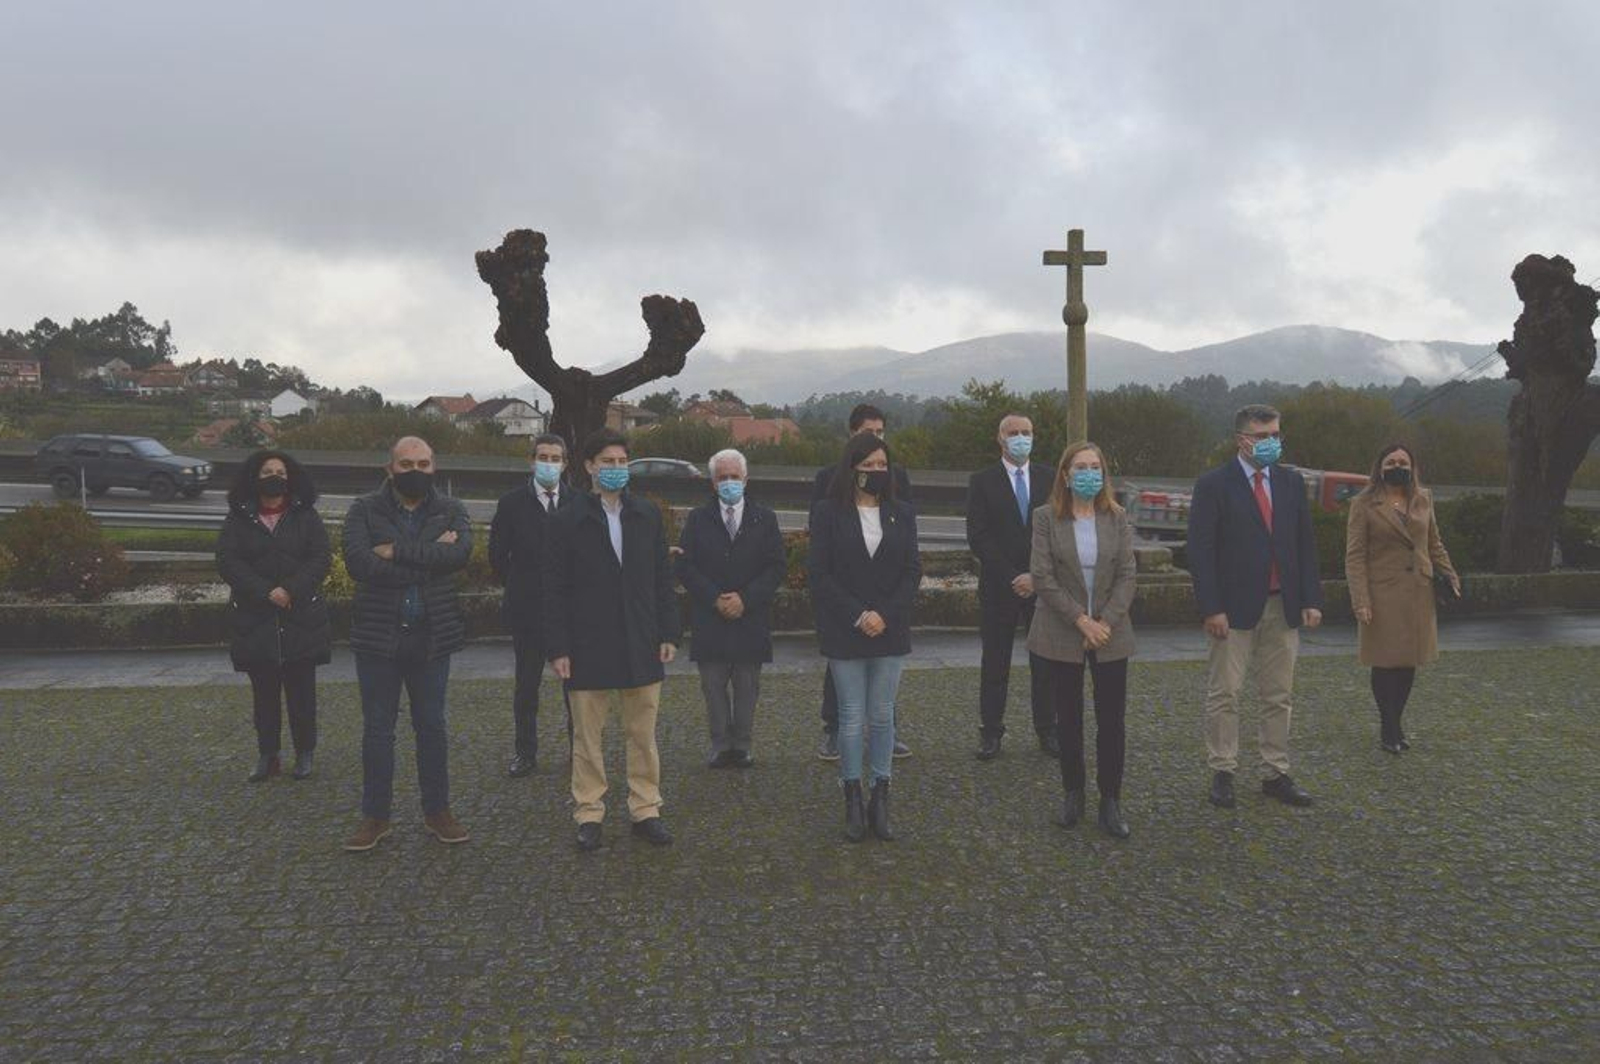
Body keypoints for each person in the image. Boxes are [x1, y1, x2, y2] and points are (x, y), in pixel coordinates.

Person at [544, 428, 682, 851]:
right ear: (588, 466)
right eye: (607, 462)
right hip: (588, 644)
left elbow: (661, 577)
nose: (616, 469)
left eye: (622, 462)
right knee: (587, 739)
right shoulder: (567, 519)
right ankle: (589, 813)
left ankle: (646, 809)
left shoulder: (647, 515)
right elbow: (554, 588)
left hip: (641, 639)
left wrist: (668, 631)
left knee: (642, 734)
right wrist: (559, 647)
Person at [340, 437, 473, 851]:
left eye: (423, 462)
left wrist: (395, 551)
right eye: (406, 463)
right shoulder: (364, 509)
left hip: (432, 636)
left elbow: (460, 555)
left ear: (435, 467)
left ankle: (438, 811)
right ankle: (375, 816)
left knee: (432, 727)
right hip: (379, 637)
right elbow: (359, 563)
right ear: (389, 468)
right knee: (378, 731)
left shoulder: (451, 509)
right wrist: (428, 559)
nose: (415, 470)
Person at [1187, 405, 1323, 810]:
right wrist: (1212, 607)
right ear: (1240, 440)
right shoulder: (1214, 485)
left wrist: (1312, 598)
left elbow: (1305, 543)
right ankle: (1223, 769)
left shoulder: (1291, 483)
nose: (1270, 443)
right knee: (1225, 693)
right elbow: (1201, 550)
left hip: (1284, 607)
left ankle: (1275, 772)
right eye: (1261, 437)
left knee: (1278, 694)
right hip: (1232, 610)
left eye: (1275, 435)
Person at [808, 432, 921, 842]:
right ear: (851, 468)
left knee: (883, 715)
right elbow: (819, 575)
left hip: (890, 630)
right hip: (846, 630)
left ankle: (881, 796)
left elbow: (912, 572)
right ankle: (852, 795)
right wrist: (858, 615)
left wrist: (884, 615)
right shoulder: (827, 513)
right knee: (851, 718)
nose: (875, 472)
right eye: (867, 465)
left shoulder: (902, 513)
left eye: (881, 465)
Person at [1027, 442, 1137, 839]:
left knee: (1112, 722)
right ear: (1066, 474)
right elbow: (1042, 576)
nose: (1090, 473)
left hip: (1111, 631)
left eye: (1096, 466)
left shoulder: (1117, 517)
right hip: (1061, 630)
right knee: (1068, 720)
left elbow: (1127, 574)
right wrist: (1081, 621)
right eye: (1081, 467)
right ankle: (1073, 793)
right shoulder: (1045, 518)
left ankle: (1111, 800)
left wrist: (1103, 622)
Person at [216, 450, 331, 783]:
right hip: (256, 621)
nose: (274, 476)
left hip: (300, 619)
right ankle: (268, 755)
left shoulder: (305, 515)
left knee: (302, 696)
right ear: (254, 477)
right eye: (267, 471)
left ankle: (305, 752)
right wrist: (265, 591)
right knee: (264, 698)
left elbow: (320, 556)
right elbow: (228, 560)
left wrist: (290, 589)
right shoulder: (239, 517)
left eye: (280, 471)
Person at [810, 403, 914, 761]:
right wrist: (854, 611)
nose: (874, 441)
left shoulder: (897, 482)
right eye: (867, 433)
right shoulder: (828, 482)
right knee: (842, 685)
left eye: (880, 433)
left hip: (887, 610)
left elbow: (905, 552)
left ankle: (887, 734)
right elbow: (821, 558)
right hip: (845, 610)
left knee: (883, 695)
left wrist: (886, 610)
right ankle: (834, 731)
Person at [675, 448, 788, 768]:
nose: (728, 483)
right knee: (712, 687)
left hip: (750, 618)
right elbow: (685, 566)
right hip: (709, 618)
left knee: (747, 687)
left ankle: (743, 745)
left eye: (734, 477)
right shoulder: (697, 519)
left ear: (746, 479)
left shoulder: (765, 518)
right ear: (712, 483)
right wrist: (714, 598)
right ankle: (720, 745)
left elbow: (775, 566)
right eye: (722, 478)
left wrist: (746, 598)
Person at [1344, 443, 1460, 753]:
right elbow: (1354, 556)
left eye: (1404, 462)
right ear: (1380, 467)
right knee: (1384, 662)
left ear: (1413, 466)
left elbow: (1434, 543)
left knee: (1409, 661)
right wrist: (1361, 599)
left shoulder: (1424, 498)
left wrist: (1449, 574)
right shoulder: (1364, 503)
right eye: (1392, 461)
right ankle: (1389, 727)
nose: (1398, 466)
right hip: (1381, 594)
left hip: (1418, 593)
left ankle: (1396, 724)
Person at [966, 413, 1056, 759]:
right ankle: (991, 733)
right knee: (995, 664)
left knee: (1045, 664)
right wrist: (1011, 576)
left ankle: (1048, 730)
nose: (1021, 438)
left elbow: (1058, 533)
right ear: (1000, 438)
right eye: (1014, 433)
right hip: (998, 588)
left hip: (1042, 588)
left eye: (1027, 432)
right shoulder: (982, 481)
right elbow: (979, 536)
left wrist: (1036, 575)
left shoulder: (1050, 478)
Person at [488, 433, 572, 777]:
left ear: (564, 463)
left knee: (576, 689)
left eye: (555, 458)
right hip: (528, 612)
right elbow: (497, 556)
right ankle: (525, 753)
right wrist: (522, 584)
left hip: (570, 613)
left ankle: (580, 751)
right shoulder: (511, 504)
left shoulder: (578, 501)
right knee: (526, 687)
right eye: (543, 457)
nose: (549, 463)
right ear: (531, 460)